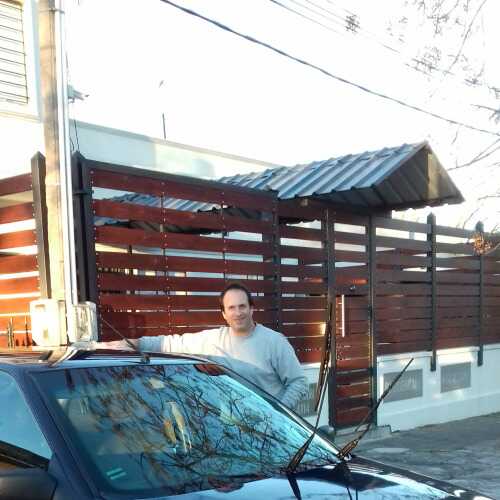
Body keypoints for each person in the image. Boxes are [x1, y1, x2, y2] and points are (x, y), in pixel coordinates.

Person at [101, 282, 307, 409]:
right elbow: (169, 343)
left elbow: (299, 382)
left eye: (242, 306)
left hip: (274, 429)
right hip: (236, 430)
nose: (238, 313)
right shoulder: (212, 340)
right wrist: (129, 344)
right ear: (224, 314)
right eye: (231, 308)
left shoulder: (274, 341)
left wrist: (279, 411)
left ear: (252, 309)